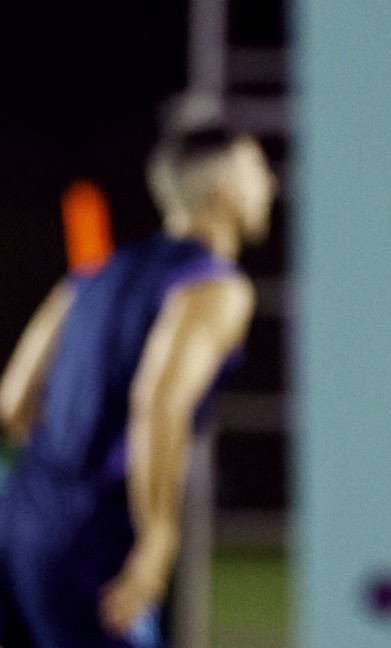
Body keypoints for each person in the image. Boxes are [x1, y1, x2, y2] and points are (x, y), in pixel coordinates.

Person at [0, 127, 276, 647]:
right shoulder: (216, 286)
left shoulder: (90, 275)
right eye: (257, 171)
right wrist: (157, 537)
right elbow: (159, 402)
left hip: (19, 525)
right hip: (92, 545)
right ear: (224, 191)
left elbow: (14, 402)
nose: (270, 186)